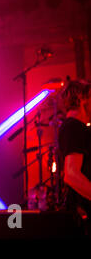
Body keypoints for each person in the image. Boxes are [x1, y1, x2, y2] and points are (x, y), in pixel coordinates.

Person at [58, 80, 91, 237]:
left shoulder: (78, 128)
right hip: (83, 213)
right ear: (81, 99)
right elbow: (71, 174)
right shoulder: (73, 127)